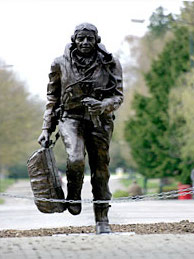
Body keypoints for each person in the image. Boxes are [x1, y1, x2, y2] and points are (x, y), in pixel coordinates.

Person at [38, 23, 123, 234]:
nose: (85, 42)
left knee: (101, 168)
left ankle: (102, 219)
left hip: (100, 120)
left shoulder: (110, 63)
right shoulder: (59, 63)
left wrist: (103, 105)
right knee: (75, 158)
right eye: (81, 38)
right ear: (74, 40)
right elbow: (52, 98)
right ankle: (73, 195)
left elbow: (119, 95)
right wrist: (46, 128)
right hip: (70, 118)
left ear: (97, 40)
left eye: (90, 39)